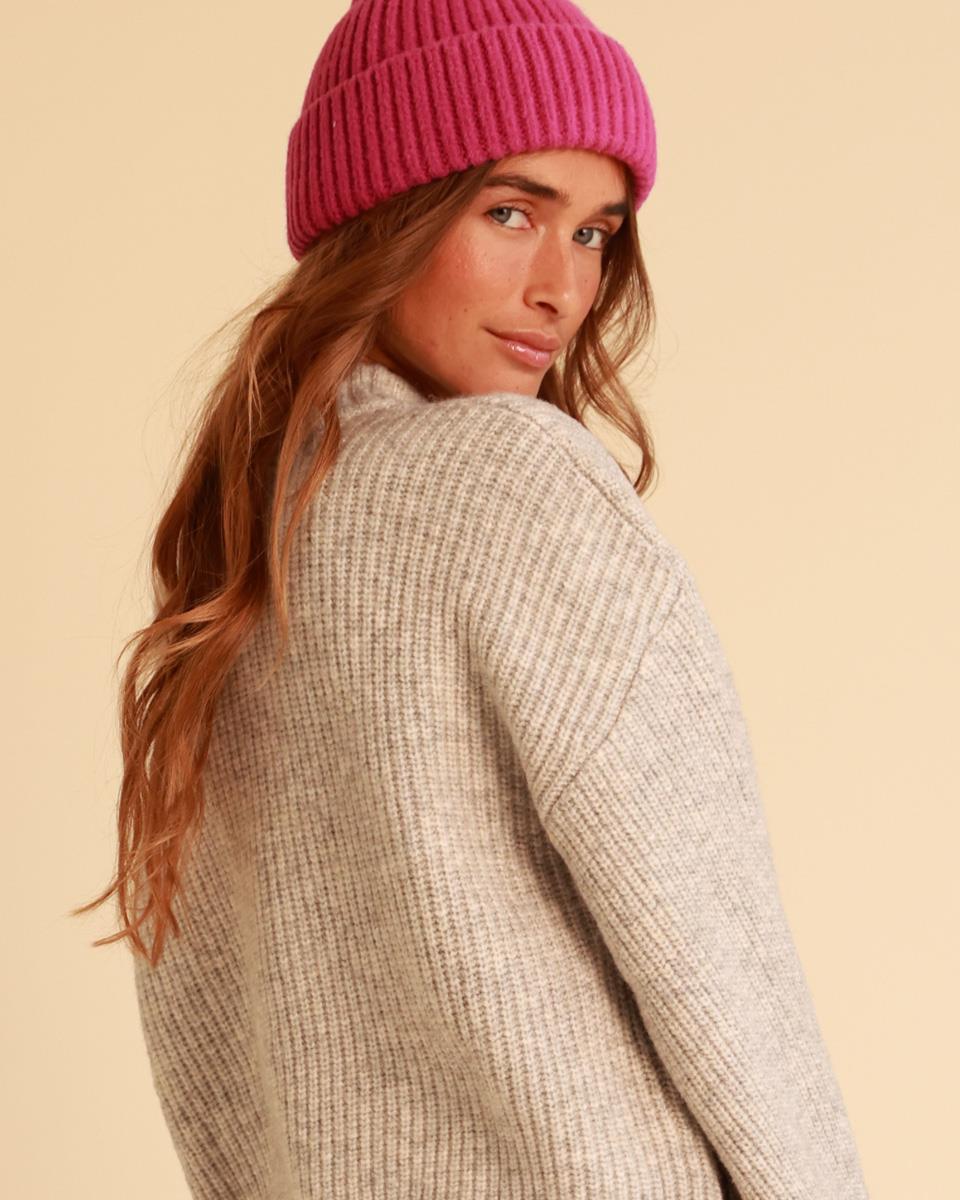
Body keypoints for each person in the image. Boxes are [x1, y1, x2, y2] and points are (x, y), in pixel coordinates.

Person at [75, 1, 871, 1197]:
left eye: (595, 234)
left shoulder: (235, 563)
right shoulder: (513, 480)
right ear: (380, 215)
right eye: (511, 213)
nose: (563, 287)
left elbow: (216, 1071)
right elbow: (722, 965)